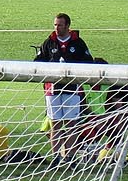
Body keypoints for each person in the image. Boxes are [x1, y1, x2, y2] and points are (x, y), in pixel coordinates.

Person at [35, 12, 92, 160]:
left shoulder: (78, 43)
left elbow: (88, 63)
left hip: (72, 89)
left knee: (71, 124)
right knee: (55, 124)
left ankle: (70, 156)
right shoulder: (49, 42)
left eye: (59, 25)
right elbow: (38, 62)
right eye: (55, 25)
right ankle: (56, 157)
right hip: (52, 89)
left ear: (67, 26)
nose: (56, 28)